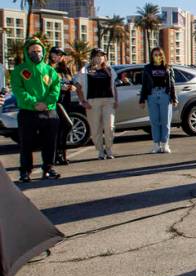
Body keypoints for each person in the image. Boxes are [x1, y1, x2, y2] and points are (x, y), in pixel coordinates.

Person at [11, 39, 61, 182]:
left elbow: (55, 89)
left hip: (49, 112)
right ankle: (25, 172)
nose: (36, 53)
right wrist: (33, 103)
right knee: (26, 143)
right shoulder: (19, 70)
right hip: (28, 112)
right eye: (33, 51)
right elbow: (18, 90)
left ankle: (48, 169)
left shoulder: (50, 71)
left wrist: (46, 103)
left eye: (39, 51)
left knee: (49, 143)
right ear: (27, 52)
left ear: (43, 52)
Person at [73, 48, 118, 159]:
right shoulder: (85, 70)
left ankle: (108, 148)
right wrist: (83, 101)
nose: (99, 58)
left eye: (101, 56)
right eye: (97, 56)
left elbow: (114, 86)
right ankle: (100, 150)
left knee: (110, 126)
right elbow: (78, 87)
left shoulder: (108, 69)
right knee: (95, 127)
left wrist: (116, 100)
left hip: (108, 101)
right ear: (92, 57)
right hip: (92, 102)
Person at [139, 47, 178, 154]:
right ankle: (156, 145)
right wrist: (142, 99)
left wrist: (174, 98)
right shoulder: (147, 68)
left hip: (165, 95)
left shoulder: (168, 67)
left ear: (162, 56)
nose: (157, 57)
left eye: (159, 55)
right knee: (154, 121)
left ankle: (165, 144)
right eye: (155, 55)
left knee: (165, 121)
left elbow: (172, 83)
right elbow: (144, 85)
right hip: (152, 95)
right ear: (152, 56)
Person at [49, 47, 75, 165]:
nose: (59, 57)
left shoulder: (66, 69)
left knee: (63, 129)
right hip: (55, 102)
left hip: (66, 100)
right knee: (65, 125)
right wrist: (60, 88)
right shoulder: (48, 68)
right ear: (51, 55)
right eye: (56, 54)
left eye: (61, 55)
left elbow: (72, 83)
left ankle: (61, 155)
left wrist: (71, 87)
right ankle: (54, 155)